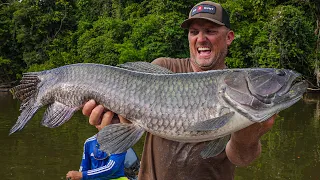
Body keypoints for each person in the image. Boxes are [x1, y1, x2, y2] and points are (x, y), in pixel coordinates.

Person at [82, 1, 277, 180]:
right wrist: (116, 123)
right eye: (194, 32)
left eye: (210, 31)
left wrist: (248, 135)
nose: (201, 39)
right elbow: (131, 122)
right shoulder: (164, 69)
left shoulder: (242, 88)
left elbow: (241, 159)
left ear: (229, 37)